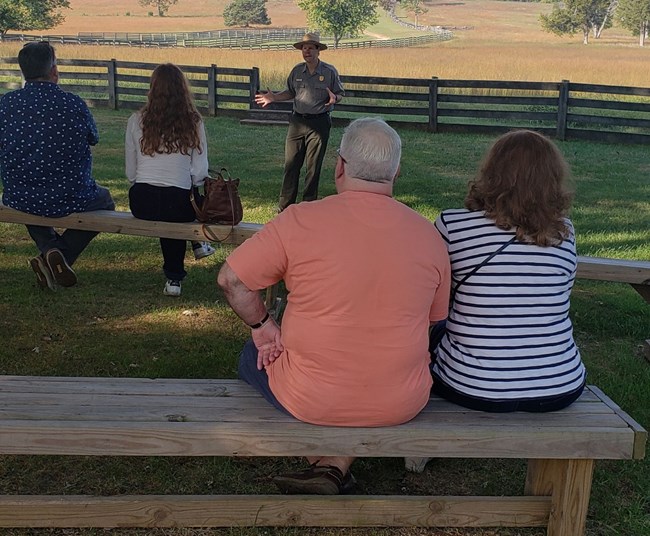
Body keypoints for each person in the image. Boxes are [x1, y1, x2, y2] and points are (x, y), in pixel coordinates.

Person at [218, 117, 451, 495]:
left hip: (312, 396)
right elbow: (433, 321)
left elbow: (231, 280)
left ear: (339, 166)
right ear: (396, 173)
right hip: (402, 399)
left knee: (253, 355)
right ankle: (336, 464)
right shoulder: (428, 235)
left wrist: (262, 327)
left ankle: (329, 461)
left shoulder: (299, 220)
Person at [431, 129, 586, 413]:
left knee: (433, 330)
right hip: (559, 383)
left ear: (491, 173)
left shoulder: (453, 225)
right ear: (552, 179)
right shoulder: (565, 232)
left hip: (473, 384)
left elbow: (434, 298)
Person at [0, 41, 115, 291]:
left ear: (24, 71)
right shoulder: (73, 104)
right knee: (106, 202)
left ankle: (49, 251)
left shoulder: (5, 105)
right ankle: (58, 254)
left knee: (30, 198)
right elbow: (93, 137)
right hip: (70, 195)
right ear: (54, 70)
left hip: (20, 194)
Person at [125, 63, 215, 297]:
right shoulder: (193, 121)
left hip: (142, 201)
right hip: (178, 203)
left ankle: (190, 256)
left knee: (167, 206)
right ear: (182, 89)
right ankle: (176, 275)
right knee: (178, 205)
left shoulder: (136, 120)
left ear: (152, 88)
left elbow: (131, 172)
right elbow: (199, 172)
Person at [254, 33, 344, 212]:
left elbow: (339, 93)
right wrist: (274, 98)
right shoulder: (297, 71)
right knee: (291, 164)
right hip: (297, 122)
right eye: (304, 48)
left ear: (318, 50)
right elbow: (291, 92)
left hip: (319, 123)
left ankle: (308, 206)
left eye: (311, 47)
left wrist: (335, 98)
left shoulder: (329, 72)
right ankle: (285, 206)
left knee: (313, 166)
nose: (307, 51)